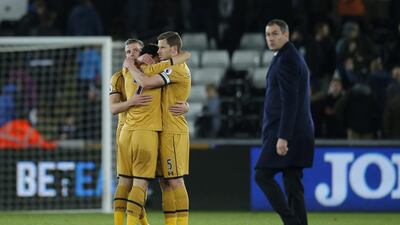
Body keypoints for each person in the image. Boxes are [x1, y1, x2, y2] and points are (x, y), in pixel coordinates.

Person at [111, 40, 190, 225]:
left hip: (126, 132)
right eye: (129, 52)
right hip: (147, 134)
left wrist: (185, 104)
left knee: (127, 182)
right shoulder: (154, 72)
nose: (132, 54)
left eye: (136, 50)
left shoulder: (124, 73)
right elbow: (172, 69)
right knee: (142, 183)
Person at [254, 19, 315, 225]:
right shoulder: (289, 56)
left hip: (287, 132)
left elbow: (290, 102)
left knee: (262, 175)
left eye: (275, 34)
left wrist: (283, 136)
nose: (270, 38)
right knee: (292, 185)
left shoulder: (287, 59)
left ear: (286, 35)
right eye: (268, 34)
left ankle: (292, 222)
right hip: (296, 130)